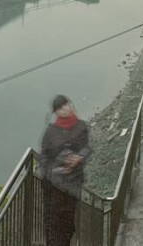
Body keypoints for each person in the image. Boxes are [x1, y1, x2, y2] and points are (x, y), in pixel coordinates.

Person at [39, 95, 92, 246]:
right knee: (54, 223)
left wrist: (78, 158)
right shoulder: (51, 131)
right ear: (56, 112)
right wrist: (57, 167)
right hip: (55, 184)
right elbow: (44, 157)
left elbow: (86, 148)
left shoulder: (80, 126)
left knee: (68, 223)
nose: (64, 109)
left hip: (73, 183)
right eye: (60, 108)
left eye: (66, 105)